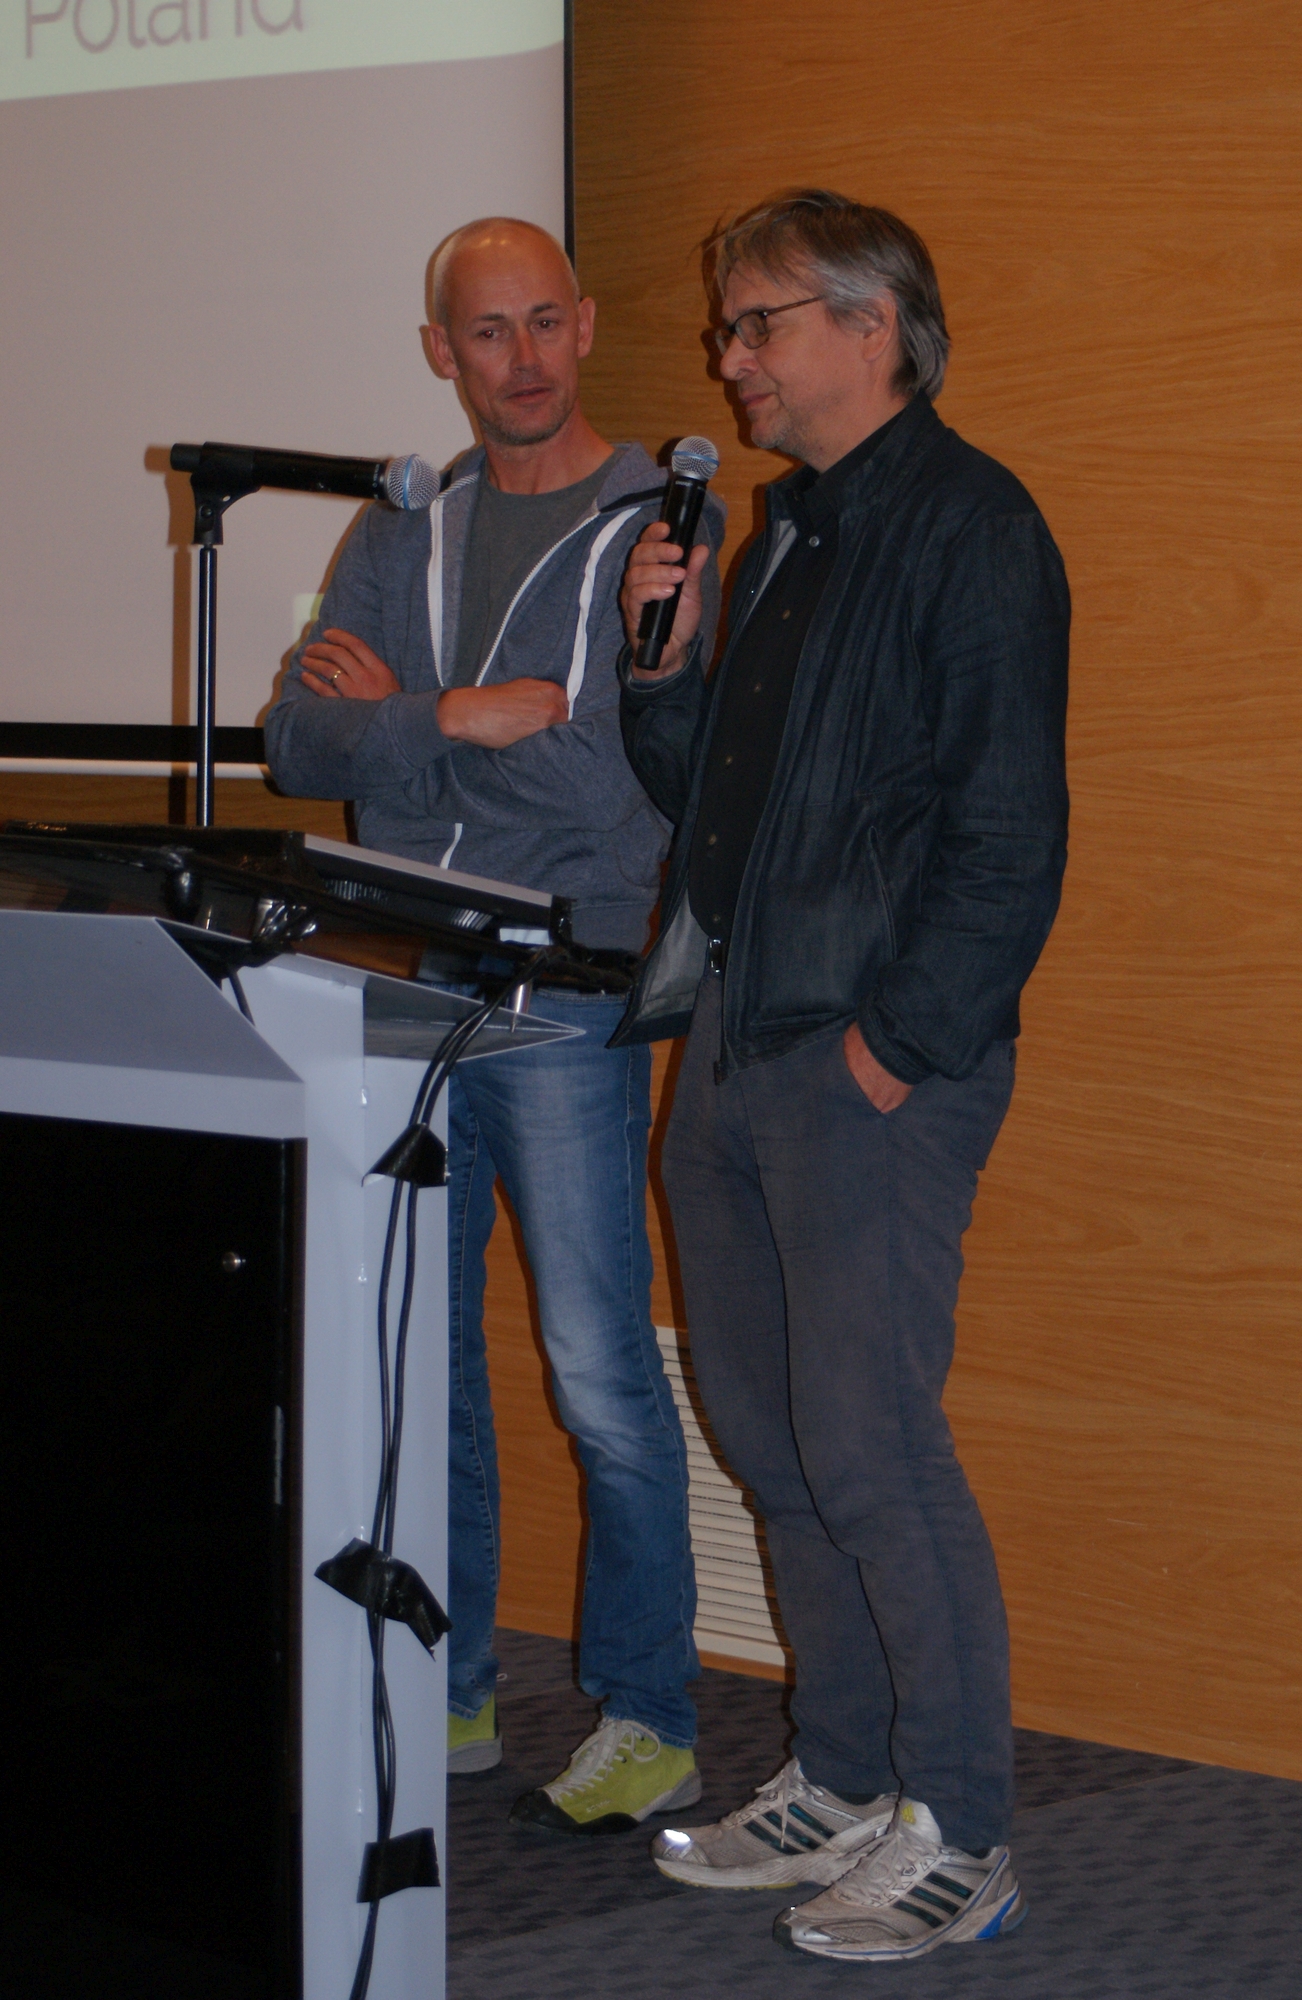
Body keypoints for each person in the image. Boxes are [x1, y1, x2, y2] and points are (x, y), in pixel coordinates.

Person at [614, 188, 1069, 1960]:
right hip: (737, 1037)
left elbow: (1008, 831)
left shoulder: (972, 525)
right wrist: (666, 673)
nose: (727, 356)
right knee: (770, 1436)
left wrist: (897, 1048)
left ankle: (959, 1832)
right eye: (726, 326)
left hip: (864, 1060)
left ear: (872, 325)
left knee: (871, 1448)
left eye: (757, 322)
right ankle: (843, 1775)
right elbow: (716, 800)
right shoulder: (783, 534)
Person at [265, 217, 724, 1836]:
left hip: (562, 990)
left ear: (583, 326)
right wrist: (453, 714)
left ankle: (648, 1715)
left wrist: (394, 733)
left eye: (542, 324)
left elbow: (603, 775)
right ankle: (447, 1687)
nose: (519, 359)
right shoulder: (410, 522)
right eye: (485, 331)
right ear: (438, 352)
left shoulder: (656, 522)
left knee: (598, 1369)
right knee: (427, 1360)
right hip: (405, 981)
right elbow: (295, 739)